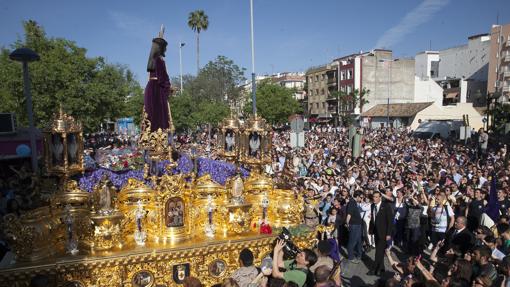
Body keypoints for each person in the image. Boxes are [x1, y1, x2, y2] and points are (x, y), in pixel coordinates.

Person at [144, 27, 172, 132]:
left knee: (151, 115)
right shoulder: (159, 61)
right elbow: (162, 78)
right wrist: (168, 87)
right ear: (161, 48)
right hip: (157, 90)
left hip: (150, 88)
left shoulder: (152, 60)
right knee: (159, 117)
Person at [368, 191, 393, 276]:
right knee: (380, 251)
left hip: (384, 232)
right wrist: (371, 229)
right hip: (375, 231)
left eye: (376, 197)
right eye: (373, 197)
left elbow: (390, 221)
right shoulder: (372, 206)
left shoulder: (386, 206)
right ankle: (381, 268)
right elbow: (373, 218)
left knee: (378, 251)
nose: (374, 199)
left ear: (380, 198)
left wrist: (389, 234)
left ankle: (374, 268)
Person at [345, 191, 363, 264]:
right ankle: (350, 257)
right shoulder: (352, 203)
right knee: (352, 241)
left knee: (359, 241)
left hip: (358, 224)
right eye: (361, 197)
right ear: (357, 196)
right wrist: (347, 223)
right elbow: (349, 214)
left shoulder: (354, 202)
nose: (362, 199)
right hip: (354, 225)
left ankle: (359, 255)